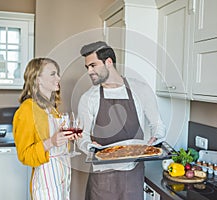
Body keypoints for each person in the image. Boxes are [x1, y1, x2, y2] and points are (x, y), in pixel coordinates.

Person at [77, 41, 166, 200]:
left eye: (93, 65)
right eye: (87, 67)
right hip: (102, 176)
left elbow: (157, 124)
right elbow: (81, 136)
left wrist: (156, 138)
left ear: (109, 62)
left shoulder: (140, 89)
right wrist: (90, 146)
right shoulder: (89, 97)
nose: (89, 71)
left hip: (133, 173)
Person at [13, 58, 79, 200]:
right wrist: (51, 142)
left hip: (62, 175)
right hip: (46, 179)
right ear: (37, 79)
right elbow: (24, 155)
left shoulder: (52, 109)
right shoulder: (27, 110)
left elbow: (59, 142)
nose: (58, 78)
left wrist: (68, 139)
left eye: (58, 74)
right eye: (53, 74)